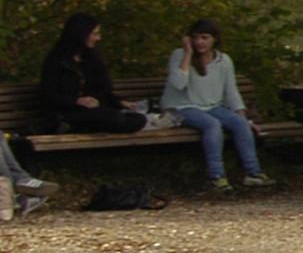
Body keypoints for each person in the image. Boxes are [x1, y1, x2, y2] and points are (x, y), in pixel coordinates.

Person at [160, 20, 276, 192]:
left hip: (211, 106)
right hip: (181, 107)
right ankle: (217, 177)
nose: (200, 42)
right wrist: (188, 53)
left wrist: (244, 119)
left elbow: (231, 92)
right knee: (212, 125)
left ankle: (253, 174)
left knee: (240, 124)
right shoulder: (179, 54)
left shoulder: (224, 61)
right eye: (195, 38)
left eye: (205, 38)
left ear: (214, 39)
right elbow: (178, 83)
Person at [35, 14, 149, 134]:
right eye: (94, 33)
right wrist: (77, 101)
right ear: (81, 34)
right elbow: (48, 95)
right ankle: (63, 124)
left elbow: (103, 91)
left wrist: (120, 102)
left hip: (92, 113)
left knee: (138, 119)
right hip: (66, 112)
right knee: (112, 117)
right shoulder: (56, 61)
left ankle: (75, 128)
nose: (98, 38)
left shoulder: (91, 59)